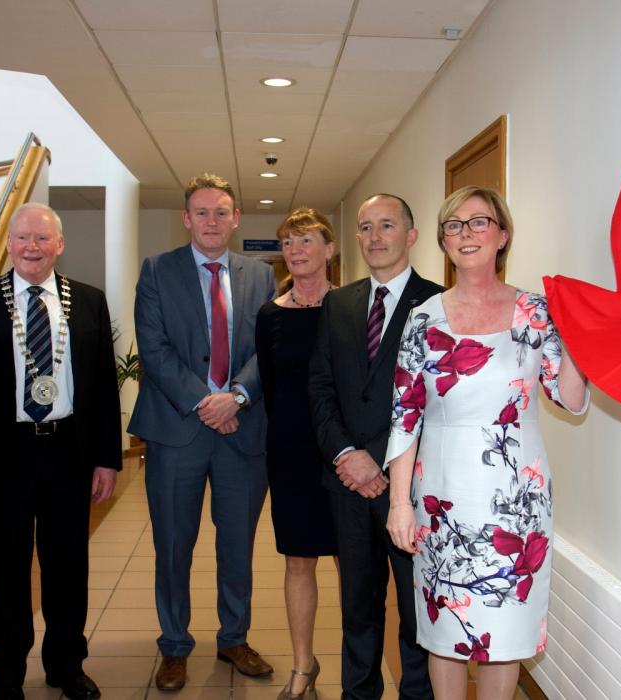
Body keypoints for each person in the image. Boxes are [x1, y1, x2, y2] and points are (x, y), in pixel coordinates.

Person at [384, 186, 589, 699]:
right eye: (454, 225)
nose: (466, 233)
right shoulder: (423, 317)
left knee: (506, 630)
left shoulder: (537, 312)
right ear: (443, 241)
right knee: (446, 629)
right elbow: (405, 417)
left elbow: (570, 400)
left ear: (502, 235)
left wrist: (581, 336)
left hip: (516, 500)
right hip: (442, 498)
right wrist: (399, 504)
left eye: (479, 222)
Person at [0, 202, 123, 700]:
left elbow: (103, 385)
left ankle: (66, 665)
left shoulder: (88, 300)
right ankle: (7, 673)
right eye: (24, 237)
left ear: (60, 245)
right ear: (9, 243)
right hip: (4, 456)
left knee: (68, 567)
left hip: (70, 452)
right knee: (7, 569)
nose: (33, 247)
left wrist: (107, 457)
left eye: (43, 238)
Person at [129, 173, 277, 691]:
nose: (211, 221)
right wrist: (204, 402)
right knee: (173, 545)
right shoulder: (157, 270)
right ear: (186, 219)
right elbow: (154, 348)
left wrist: (236, 396)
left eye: (221, 212)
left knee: (237, 546)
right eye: (201, 212)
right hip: (177, 431)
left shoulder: (262, 275)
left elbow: (269, 347)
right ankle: (174, 645)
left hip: (243, 431)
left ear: (235, 219)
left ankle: (234, 638)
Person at [308, 194, 441, 700]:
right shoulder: (338, 303)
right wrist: (347, 455)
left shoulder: (438, 304)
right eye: (365, 227)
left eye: (387, 225)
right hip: (347, 485)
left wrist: (377, 461)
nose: (375, 236)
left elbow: (436, 401)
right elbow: (320, 387)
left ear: (411, 235)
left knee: (414, 611)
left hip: (411, 487)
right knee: (357, 607)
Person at [254, 208, 340, 699]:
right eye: (288, 242)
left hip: (344, 456)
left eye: (306, 240)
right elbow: (271, 386)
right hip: (289, 452)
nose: (295, 250)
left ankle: (359, 665)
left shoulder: (352, 307)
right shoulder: (271, 314)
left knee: (351, 564)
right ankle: (303, 666)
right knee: (298, 562)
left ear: (330, 249)